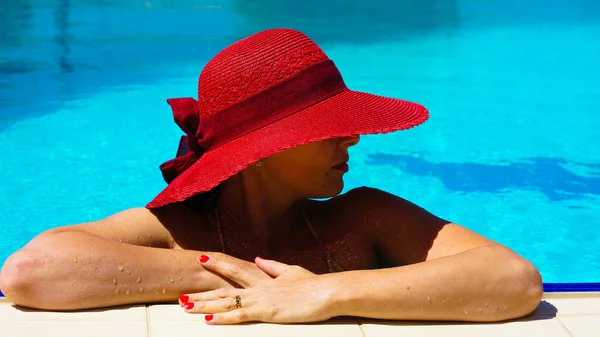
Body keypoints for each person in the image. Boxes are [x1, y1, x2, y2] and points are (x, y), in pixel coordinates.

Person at [0, 28, 542, 324]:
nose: (352, 138)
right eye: (329, 127)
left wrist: (327, 295)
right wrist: (220, 273)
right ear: (261, 149)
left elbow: (512, 279)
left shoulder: (363, 217)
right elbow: (31, 271)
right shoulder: (174, 230)